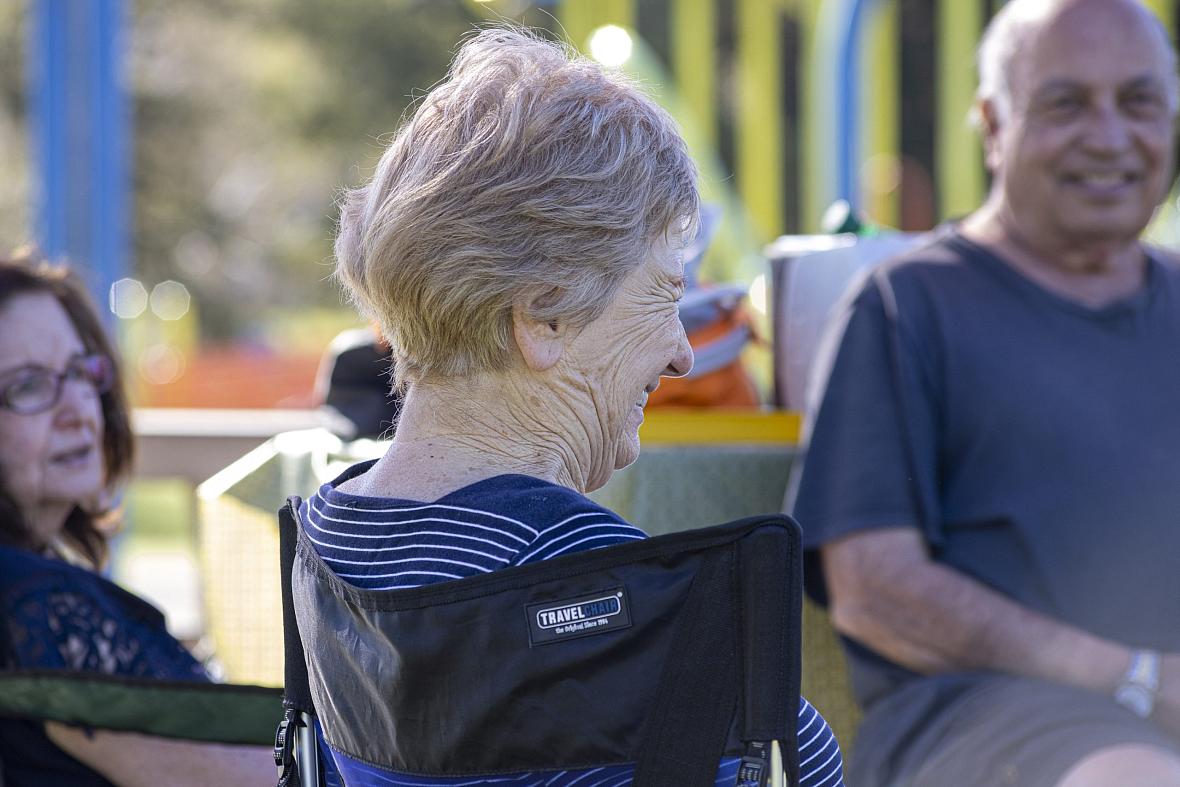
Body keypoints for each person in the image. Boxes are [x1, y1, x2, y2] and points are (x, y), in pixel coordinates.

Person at [294, 27, 844, 787]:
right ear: (544, 316)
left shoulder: (326, 543)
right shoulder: (602, 603)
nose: (685, 353)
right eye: (664, 293)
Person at [792, 0, 1180, 784]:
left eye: (1138, 102)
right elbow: (873, 589)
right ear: (993, 124)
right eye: (1065, 103)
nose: (1108, 137)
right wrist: (1138, 676)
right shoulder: (907, 306)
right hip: (988, 731)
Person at [0, 251, 274, 786]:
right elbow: (262, 776)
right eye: (29, 386)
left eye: (81, 372)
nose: (80, 408)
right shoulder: (42, 607)